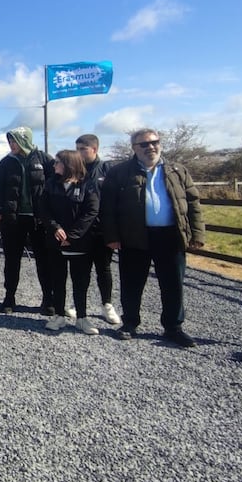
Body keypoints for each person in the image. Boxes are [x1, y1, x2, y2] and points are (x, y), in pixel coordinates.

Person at [100, 128, 206, 347]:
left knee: (173, 283)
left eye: (154, 142)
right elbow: (107, 208)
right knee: (131, 283)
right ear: (134, 148)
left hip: (170, 236)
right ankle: (130, 323)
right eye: (144, 144)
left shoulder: (178, 171)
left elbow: (194, 204)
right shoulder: (119, 172)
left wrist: (197, 234)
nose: (151, 147)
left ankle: (173, 327)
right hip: (134, 236)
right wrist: (111, 236)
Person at [0, 127, 55, 314]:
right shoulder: (6, 162)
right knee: (12, 260)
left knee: (43, 260)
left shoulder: (44, 159)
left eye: (15, 141)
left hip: (39, 219)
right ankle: (9, 298)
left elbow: (54, 186)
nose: (12, 145)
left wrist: (50, 213)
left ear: (24, 140)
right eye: (10, 141)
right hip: (13, 219)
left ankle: (48, 299)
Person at [38, 150, 100, 334]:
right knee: (58, 279)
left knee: (80, 281)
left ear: (69, 164)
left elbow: (91, 211)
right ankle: (59, 316)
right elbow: (43, 209)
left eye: (57, 162)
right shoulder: (51, 184)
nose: (54, 165)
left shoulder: (88, 184)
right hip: (55, 241)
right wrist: (56, 228)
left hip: (80, 242)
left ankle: (81, 318)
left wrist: (72, 236)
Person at [75, 134, 122, 325]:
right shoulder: (76, 170)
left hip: (103, 229)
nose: (79, 153)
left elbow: (116, 199)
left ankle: (107, 304)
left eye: (82, 149)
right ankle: (79, 305)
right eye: (76, 149)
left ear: (94, 149)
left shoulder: (108, 170)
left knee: (103, 269)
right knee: (80, 271)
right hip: (81, 230)